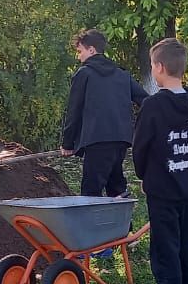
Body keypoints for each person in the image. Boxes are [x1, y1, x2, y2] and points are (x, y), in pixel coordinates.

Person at [131, 38, 188, 284]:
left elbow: (140, 147)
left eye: (152, 66)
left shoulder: (153, 105)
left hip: (161, 190)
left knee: (165, 253)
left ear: (159, 68)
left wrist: (143, 175)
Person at [60, 28, 149, 199]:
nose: (78, 56)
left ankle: (92, 226)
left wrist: (68, 144)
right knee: (116, 186)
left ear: (91, 50)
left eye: (80, 51)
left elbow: (74, 111)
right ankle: (123, 226)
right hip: (121, 139)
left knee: (91, 191)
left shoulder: (84, 73)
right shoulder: (121, 74)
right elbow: (146, 101)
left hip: (97, 140)